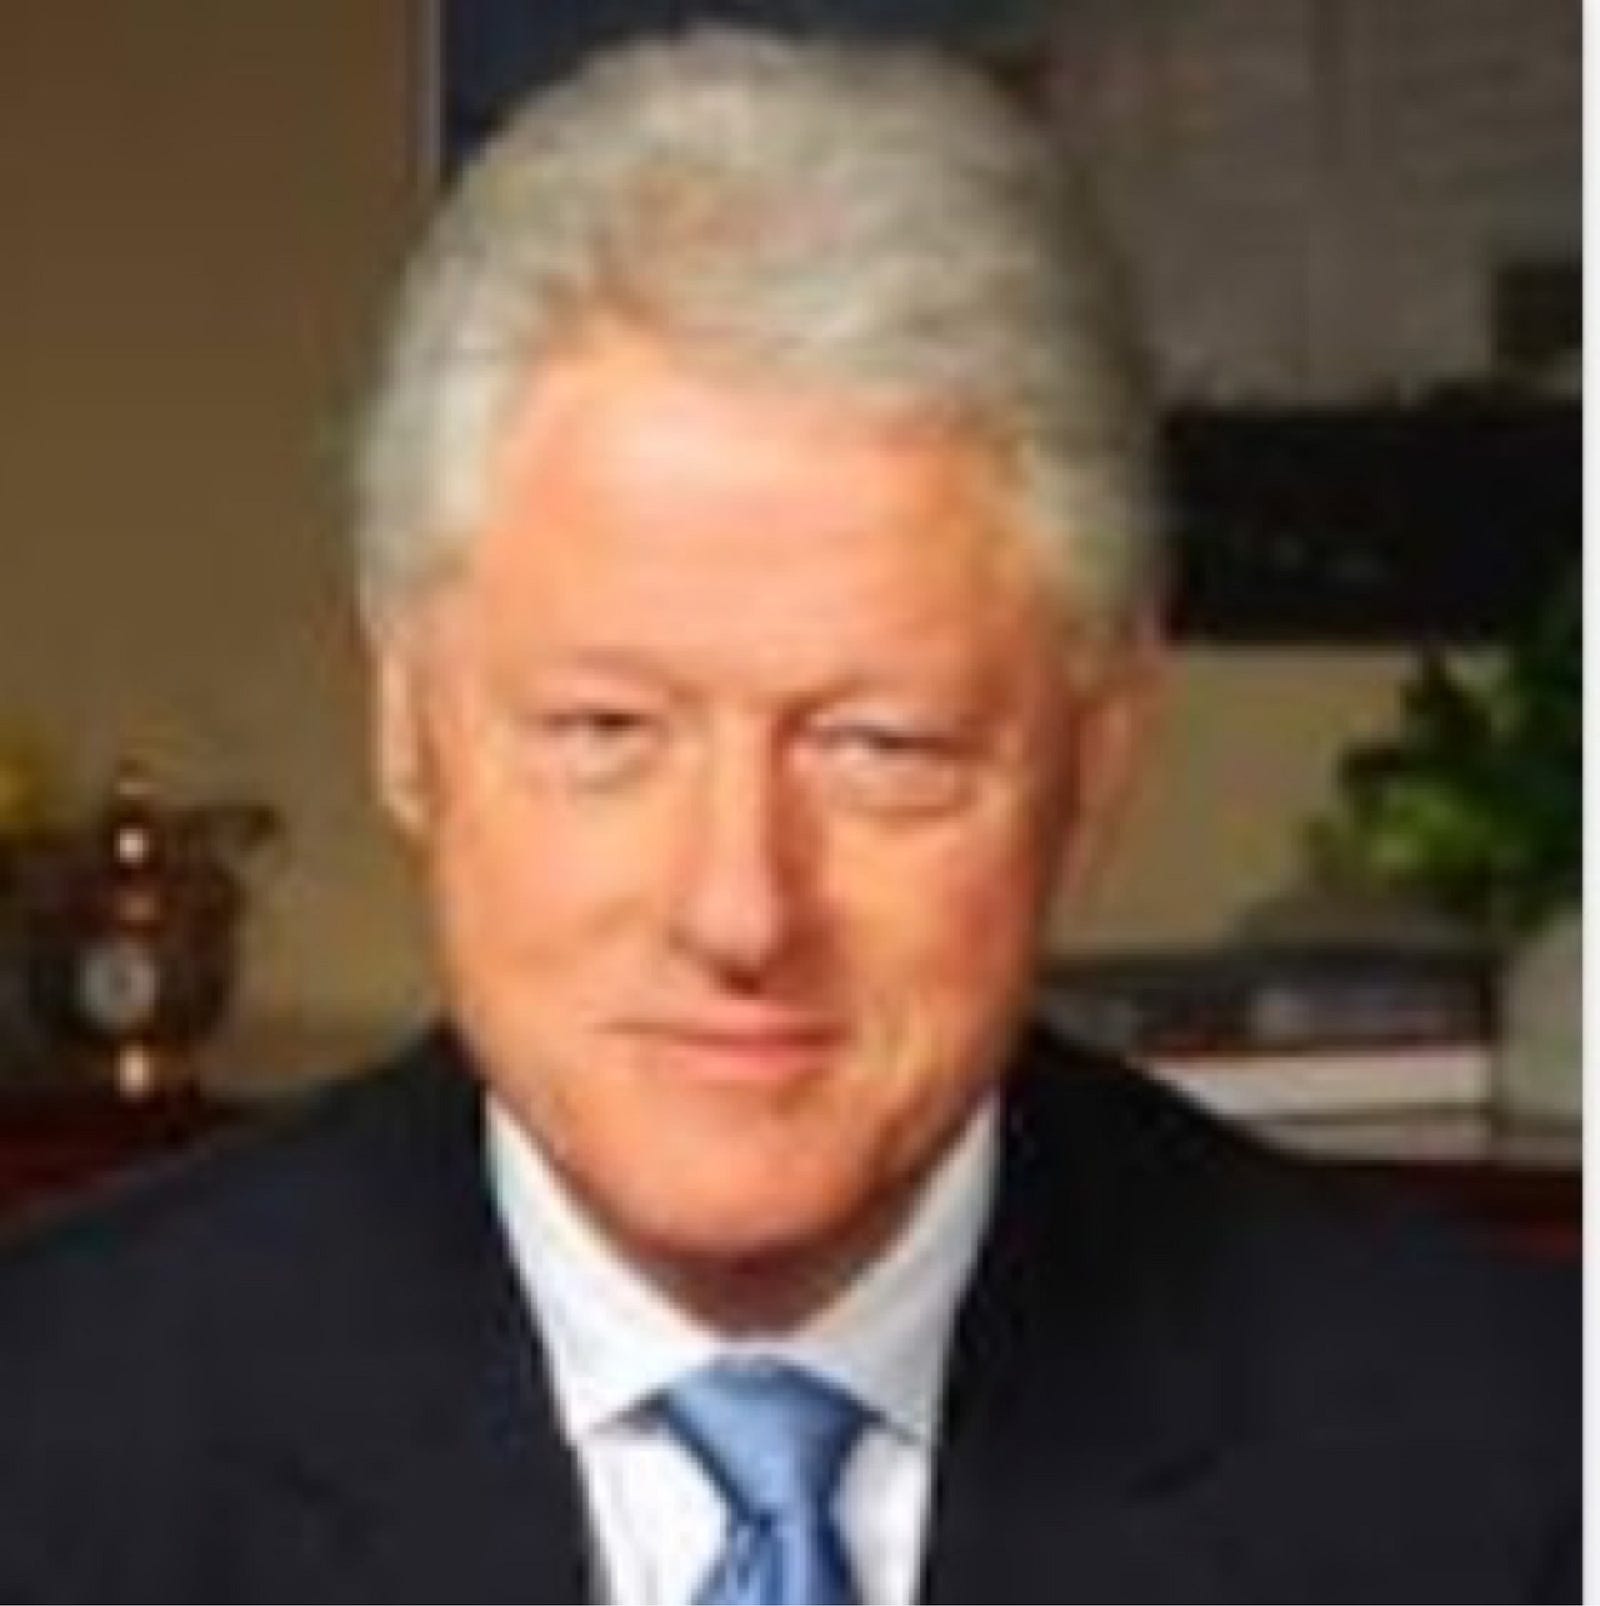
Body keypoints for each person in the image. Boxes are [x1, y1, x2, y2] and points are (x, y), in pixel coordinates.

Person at [0, 26, 1576, 1605]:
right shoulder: (49, 1444)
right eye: (608, 732)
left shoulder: (1504, 1468)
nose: (740, 907)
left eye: (878, 746)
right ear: (408, 726)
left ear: (1096, 759)